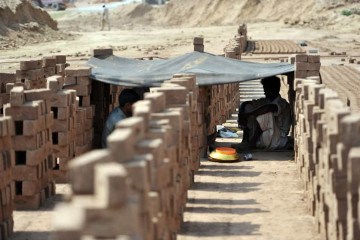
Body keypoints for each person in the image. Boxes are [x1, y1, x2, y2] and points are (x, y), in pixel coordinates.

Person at [233, 76, 292, 152]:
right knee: (248, 107)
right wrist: (242, 111)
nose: (264, 91)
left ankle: (252, 143)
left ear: (274, 88)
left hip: (277, 138)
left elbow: (268, 108)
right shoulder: (266, 101)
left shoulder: (282, 103)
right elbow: (248, 104)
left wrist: (249, 115)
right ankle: (245, 141)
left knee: (264, 114)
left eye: (266, 88)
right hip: (265, 135)